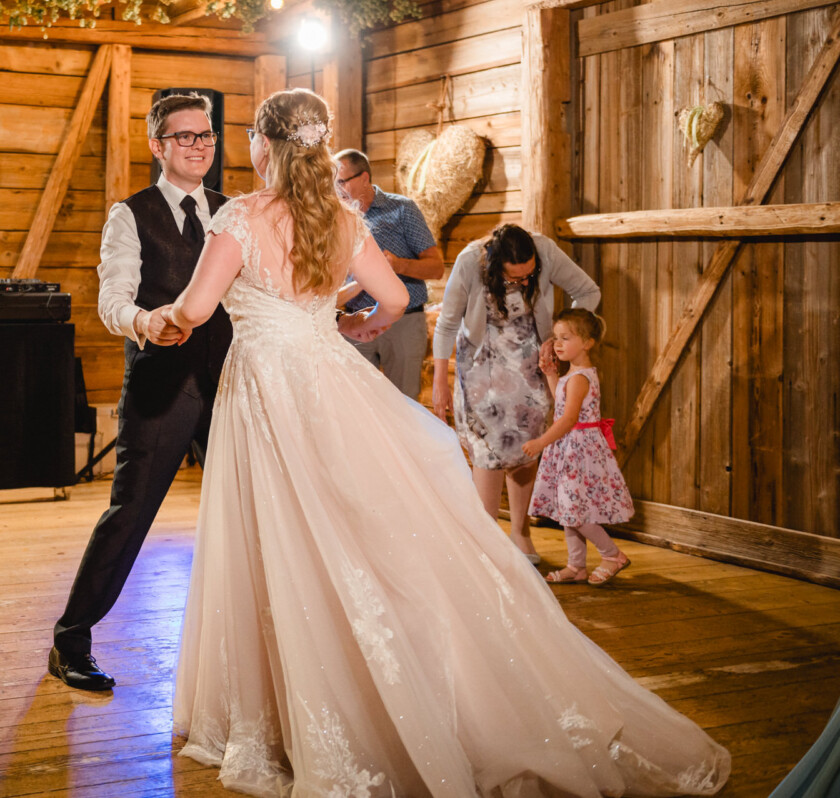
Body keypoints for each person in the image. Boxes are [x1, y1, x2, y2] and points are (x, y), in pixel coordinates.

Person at [166, 88, 729, 797]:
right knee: (354, 527)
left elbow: (194, 309)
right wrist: (352, 325)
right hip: (329, 378)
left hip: (266, 390)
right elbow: (398, 301)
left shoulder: (240, 216)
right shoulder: (341, 216)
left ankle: (285, 707)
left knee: (276, 534)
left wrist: (148, 320)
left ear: (263, 144)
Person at [48, 93, 230, 692]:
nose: (200, 146)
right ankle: (71, 638)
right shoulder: (130, 214)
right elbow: (111, 299)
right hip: (162, 385)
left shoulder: (232, 213)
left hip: (232, 385)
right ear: (157, 145)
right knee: (130, 514)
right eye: (186, 137)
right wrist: (143, 322)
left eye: (206, 136)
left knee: (248, 511)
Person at [432, 223, 600, 564]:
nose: (524, 283)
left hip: (530, 363)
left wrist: (559, 337)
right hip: (481, 365)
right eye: (514, 278)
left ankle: (520, 533)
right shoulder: (469, 262)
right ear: (495, 267)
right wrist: (439, 381)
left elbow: (588, 291)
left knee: (526, 444)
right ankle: (487, 537)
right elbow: (447, 323)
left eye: (529, 276)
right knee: (488, 449)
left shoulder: (545, 250)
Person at [522, 309, 634, 585]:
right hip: (568, 448)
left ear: (587, 343)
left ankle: (611, 554)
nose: (558, 343)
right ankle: (576, 565)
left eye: (566, 338)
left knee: (574, 510)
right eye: (556, 337)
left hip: (578, 450)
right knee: (567, 509)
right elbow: (561, 399)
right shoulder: (573, 375)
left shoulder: (582, 378)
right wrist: (551, 375)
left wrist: (541, 442)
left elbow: (569, 418)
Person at [333, 148, 445, 398]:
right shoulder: (334, 217)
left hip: (402, 323)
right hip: (353, 321)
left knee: (405, 404)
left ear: (364, 178)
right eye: (333, 182)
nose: (336, 188)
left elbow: (436, 268)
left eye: (342, 181)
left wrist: (395, 265)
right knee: (357, 404)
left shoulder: (402, 209)